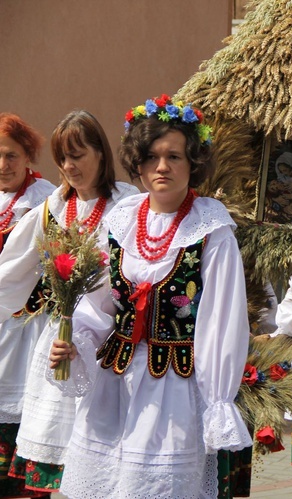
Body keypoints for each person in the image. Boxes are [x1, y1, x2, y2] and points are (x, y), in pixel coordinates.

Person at [47, 95, 252, 498]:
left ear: (193, 163)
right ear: (137, 163)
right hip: (114, 383)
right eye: (152, 157)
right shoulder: (122, 218)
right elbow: (101, 298)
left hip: (173, 387)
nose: (162, 167)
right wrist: (77, 342)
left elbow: (221, 324)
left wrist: (218, 401)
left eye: (174, 156)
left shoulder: (211, 229)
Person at [0, 110, 137, 495]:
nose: (69, 166)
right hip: (60, 346)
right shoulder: (53, 209)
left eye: (77, 155)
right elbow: (9, 275)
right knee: (59, 465)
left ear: (100, 153)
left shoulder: (128, 206)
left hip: (111, 350)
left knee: (106, 464)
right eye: (62, 158)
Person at [0, 113, 56, 498]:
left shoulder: (47, 202)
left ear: (28, 157)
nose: (3, 165)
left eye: (11, 156)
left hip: (26, 329)